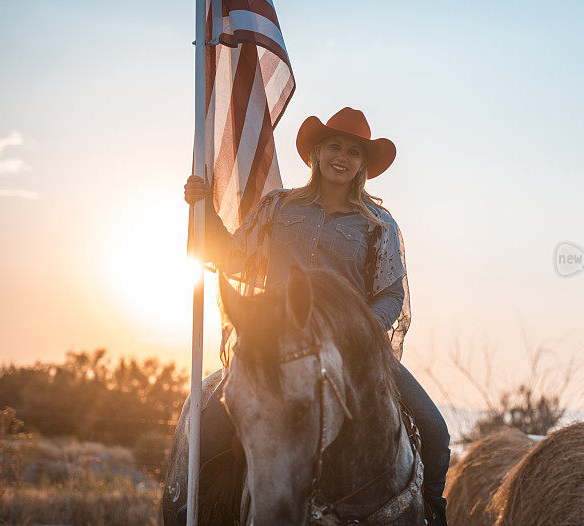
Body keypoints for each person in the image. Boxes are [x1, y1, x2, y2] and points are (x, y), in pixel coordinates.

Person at [184, 107, 450, 524]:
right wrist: (202, 209)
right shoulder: (277, 207)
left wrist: (354, 335)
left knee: (435, 431)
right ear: (317, 153)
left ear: (364, 164)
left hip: (355, 353)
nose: (342, 156)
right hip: (272, 349)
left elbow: (391, 295)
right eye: (334, 146)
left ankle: (432, 515)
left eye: (355, 152)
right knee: (207, 425)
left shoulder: (378, 224)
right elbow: (232, 257)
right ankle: (194, 510)